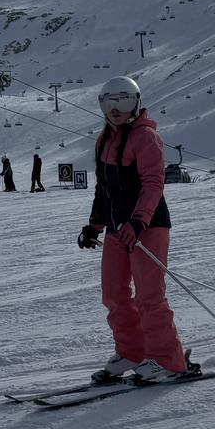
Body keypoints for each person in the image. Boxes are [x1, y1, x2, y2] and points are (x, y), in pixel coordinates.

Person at [77, 76, 193, 383]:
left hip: (148, 226)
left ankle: (168, 360)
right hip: (118, 229)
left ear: (136, 102)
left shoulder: (146, 137)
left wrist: (138, 221)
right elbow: (104, 189)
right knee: (113, 294)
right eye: (108, 103)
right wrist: (94, 226)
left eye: (124, 101)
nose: (115, 109)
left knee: (149, 296)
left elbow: (153, 183)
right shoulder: (105, 139)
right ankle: (132, 352)